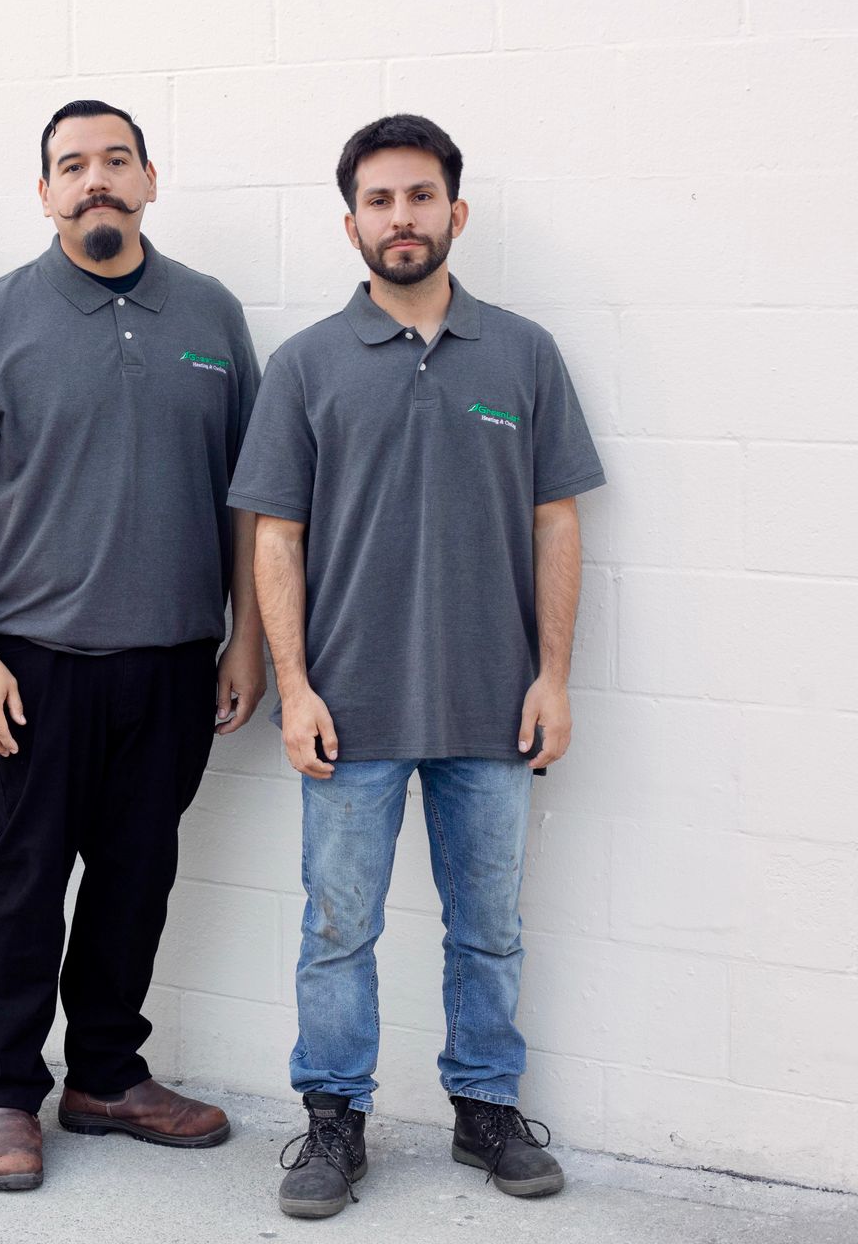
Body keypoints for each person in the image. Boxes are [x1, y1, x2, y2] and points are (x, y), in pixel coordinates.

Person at [228, 114, 605, 1218]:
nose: (402, 217)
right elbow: (276, 537)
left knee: (490, 928)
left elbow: (557, 521)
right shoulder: (305, 365)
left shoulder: (523, 353)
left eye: (421, 196)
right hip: (349, 709)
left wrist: (554, 675)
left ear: (456, 211)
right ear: (351, 223)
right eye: (380, 200)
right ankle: (333, 1119)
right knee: (337, 930)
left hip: (495, 706)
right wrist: (295, 686)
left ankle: (485, 1106)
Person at [0, 100, 266, 1191]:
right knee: (25, 882)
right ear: (45, 192)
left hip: (174, 660)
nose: (95, 179)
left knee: (135, 877)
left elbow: (250, 498)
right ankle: (8, 1092)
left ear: (150, 179)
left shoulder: (210, 312)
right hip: (37, 662)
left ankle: (107, 1075)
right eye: (73, 165)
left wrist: (246, 639)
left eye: (116, 160)